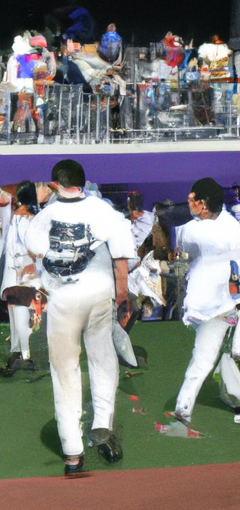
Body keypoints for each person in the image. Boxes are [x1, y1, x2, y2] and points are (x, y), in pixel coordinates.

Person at [25, 158, 133, 475]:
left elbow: (37, 256)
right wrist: (122, 296)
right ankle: (101, 423)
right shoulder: (102, 211)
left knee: (65, 375)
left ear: (56, 186)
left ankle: (73, 454)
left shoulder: (43, 218)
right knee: (102, 358)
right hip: (99, 297)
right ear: (82, 185)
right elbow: (122, 255)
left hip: (63, 304)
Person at [171, 178, 240, 427]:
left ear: (204, 204)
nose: (189, 203)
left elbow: (183, 251)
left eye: (192, 200)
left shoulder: (191, 230)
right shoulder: (232, 224)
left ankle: (183, 408)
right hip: (234, 297)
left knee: (205, 357)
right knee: (222, 354)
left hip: (213, 303)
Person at [1, 181, 43, 376]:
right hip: (29, 273)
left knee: (18, 313)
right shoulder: (33, 218)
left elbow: (18, 247)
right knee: (22, 313)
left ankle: (22, 353)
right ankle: (21, 353)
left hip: (19, 273)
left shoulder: (19, 218)